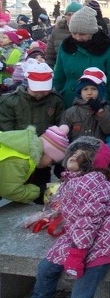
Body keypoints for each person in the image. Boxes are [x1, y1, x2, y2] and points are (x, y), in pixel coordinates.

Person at [32, 136, 110, 298]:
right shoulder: (74, 180)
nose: (73, 155)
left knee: (81, 290)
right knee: (45, 268)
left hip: (103, 243)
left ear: (92, 162)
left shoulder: (91, 181)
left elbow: (88, 219)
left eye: (82, 153)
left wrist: (76, 255)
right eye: (73, 151)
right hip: (80, 236)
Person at [0, 61, 65, 202]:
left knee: (42, 194)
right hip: (17, 157)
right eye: (37, 89)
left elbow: (59, 127)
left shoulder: (55, 100)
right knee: (12, 187)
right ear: (26, 84)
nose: (41, 93)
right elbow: (6, 130)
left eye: (44, 89)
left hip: (44, 157)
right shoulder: (10, 101)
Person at [53, 6, 110, 108]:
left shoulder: (108, 49)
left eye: (82, 34)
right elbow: (59, 76)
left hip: (97, 104)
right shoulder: (67, 46)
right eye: (74, 33)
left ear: (92, 32)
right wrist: (55, 98)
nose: (77, 38)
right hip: (69, 101)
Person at [0, 125, 69, 203]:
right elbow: (10, 191)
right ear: (47, 152)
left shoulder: (21, 143)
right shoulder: (21, 161)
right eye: (52, 161)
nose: (49, 165)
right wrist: (38, 191)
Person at [60, 67, 110, 143]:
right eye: (85, 89)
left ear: (100, 92)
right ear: (80, 92)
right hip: (76, 152)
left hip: (98, 151)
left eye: (94, 89)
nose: (89, 92)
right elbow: (63, 137)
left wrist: (100, 111)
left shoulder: (107, 108)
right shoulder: (71, 112)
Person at [45, 2, 81, 67]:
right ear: (65, 16)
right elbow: (49, 55)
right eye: (69, 14)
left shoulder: (87, 33)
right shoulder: (57, 31)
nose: (71, 17)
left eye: (75, 14)